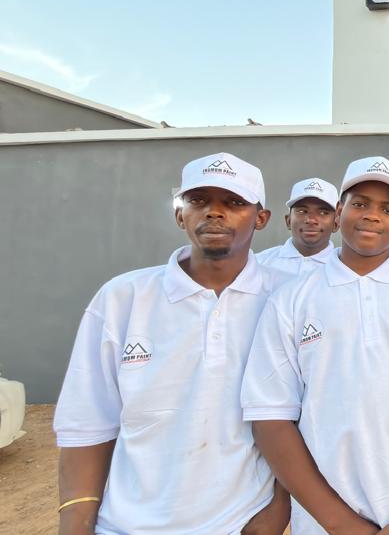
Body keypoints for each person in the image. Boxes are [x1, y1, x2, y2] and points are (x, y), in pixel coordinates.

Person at [53, 152, 290, 535]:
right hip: (125, 525)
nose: (214, 212)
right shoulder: (123, 299)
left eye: (234, 202)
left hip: (240, 523)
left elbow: (304, 419)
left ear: (260, 218)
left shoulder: (287, 298)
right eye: (198, 200)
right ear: (180, 214)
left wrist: (278, 509)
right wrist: (76, 521)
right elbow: (88, 423)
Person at [242, 156, 389, 534]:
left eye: (387, 209)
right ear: (339, 213)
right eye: (360, 204)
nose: (372, 216)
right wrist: (340, 524)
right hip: (323, 521)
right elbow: (270, 418)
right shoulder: (292, 299)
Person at [257, 177, 339, 277]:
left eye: (323, 212)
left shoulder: (345, 268)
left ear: (336, 224)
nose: (311, 220)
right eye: (302, 211)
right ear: (288, 221)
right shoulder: (259, 264)